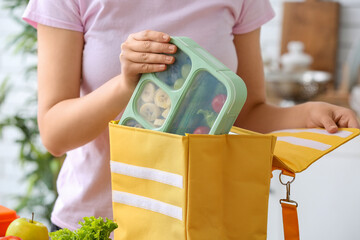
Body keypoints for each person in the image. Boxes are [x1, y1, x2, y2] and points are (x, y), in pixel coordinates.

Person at [22, 0, 359, 232]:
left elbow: (246, 112)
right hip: (99, 223)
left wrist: (305, 114)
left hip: (200, 223)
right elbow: (55, 134)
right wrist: (126, 85)